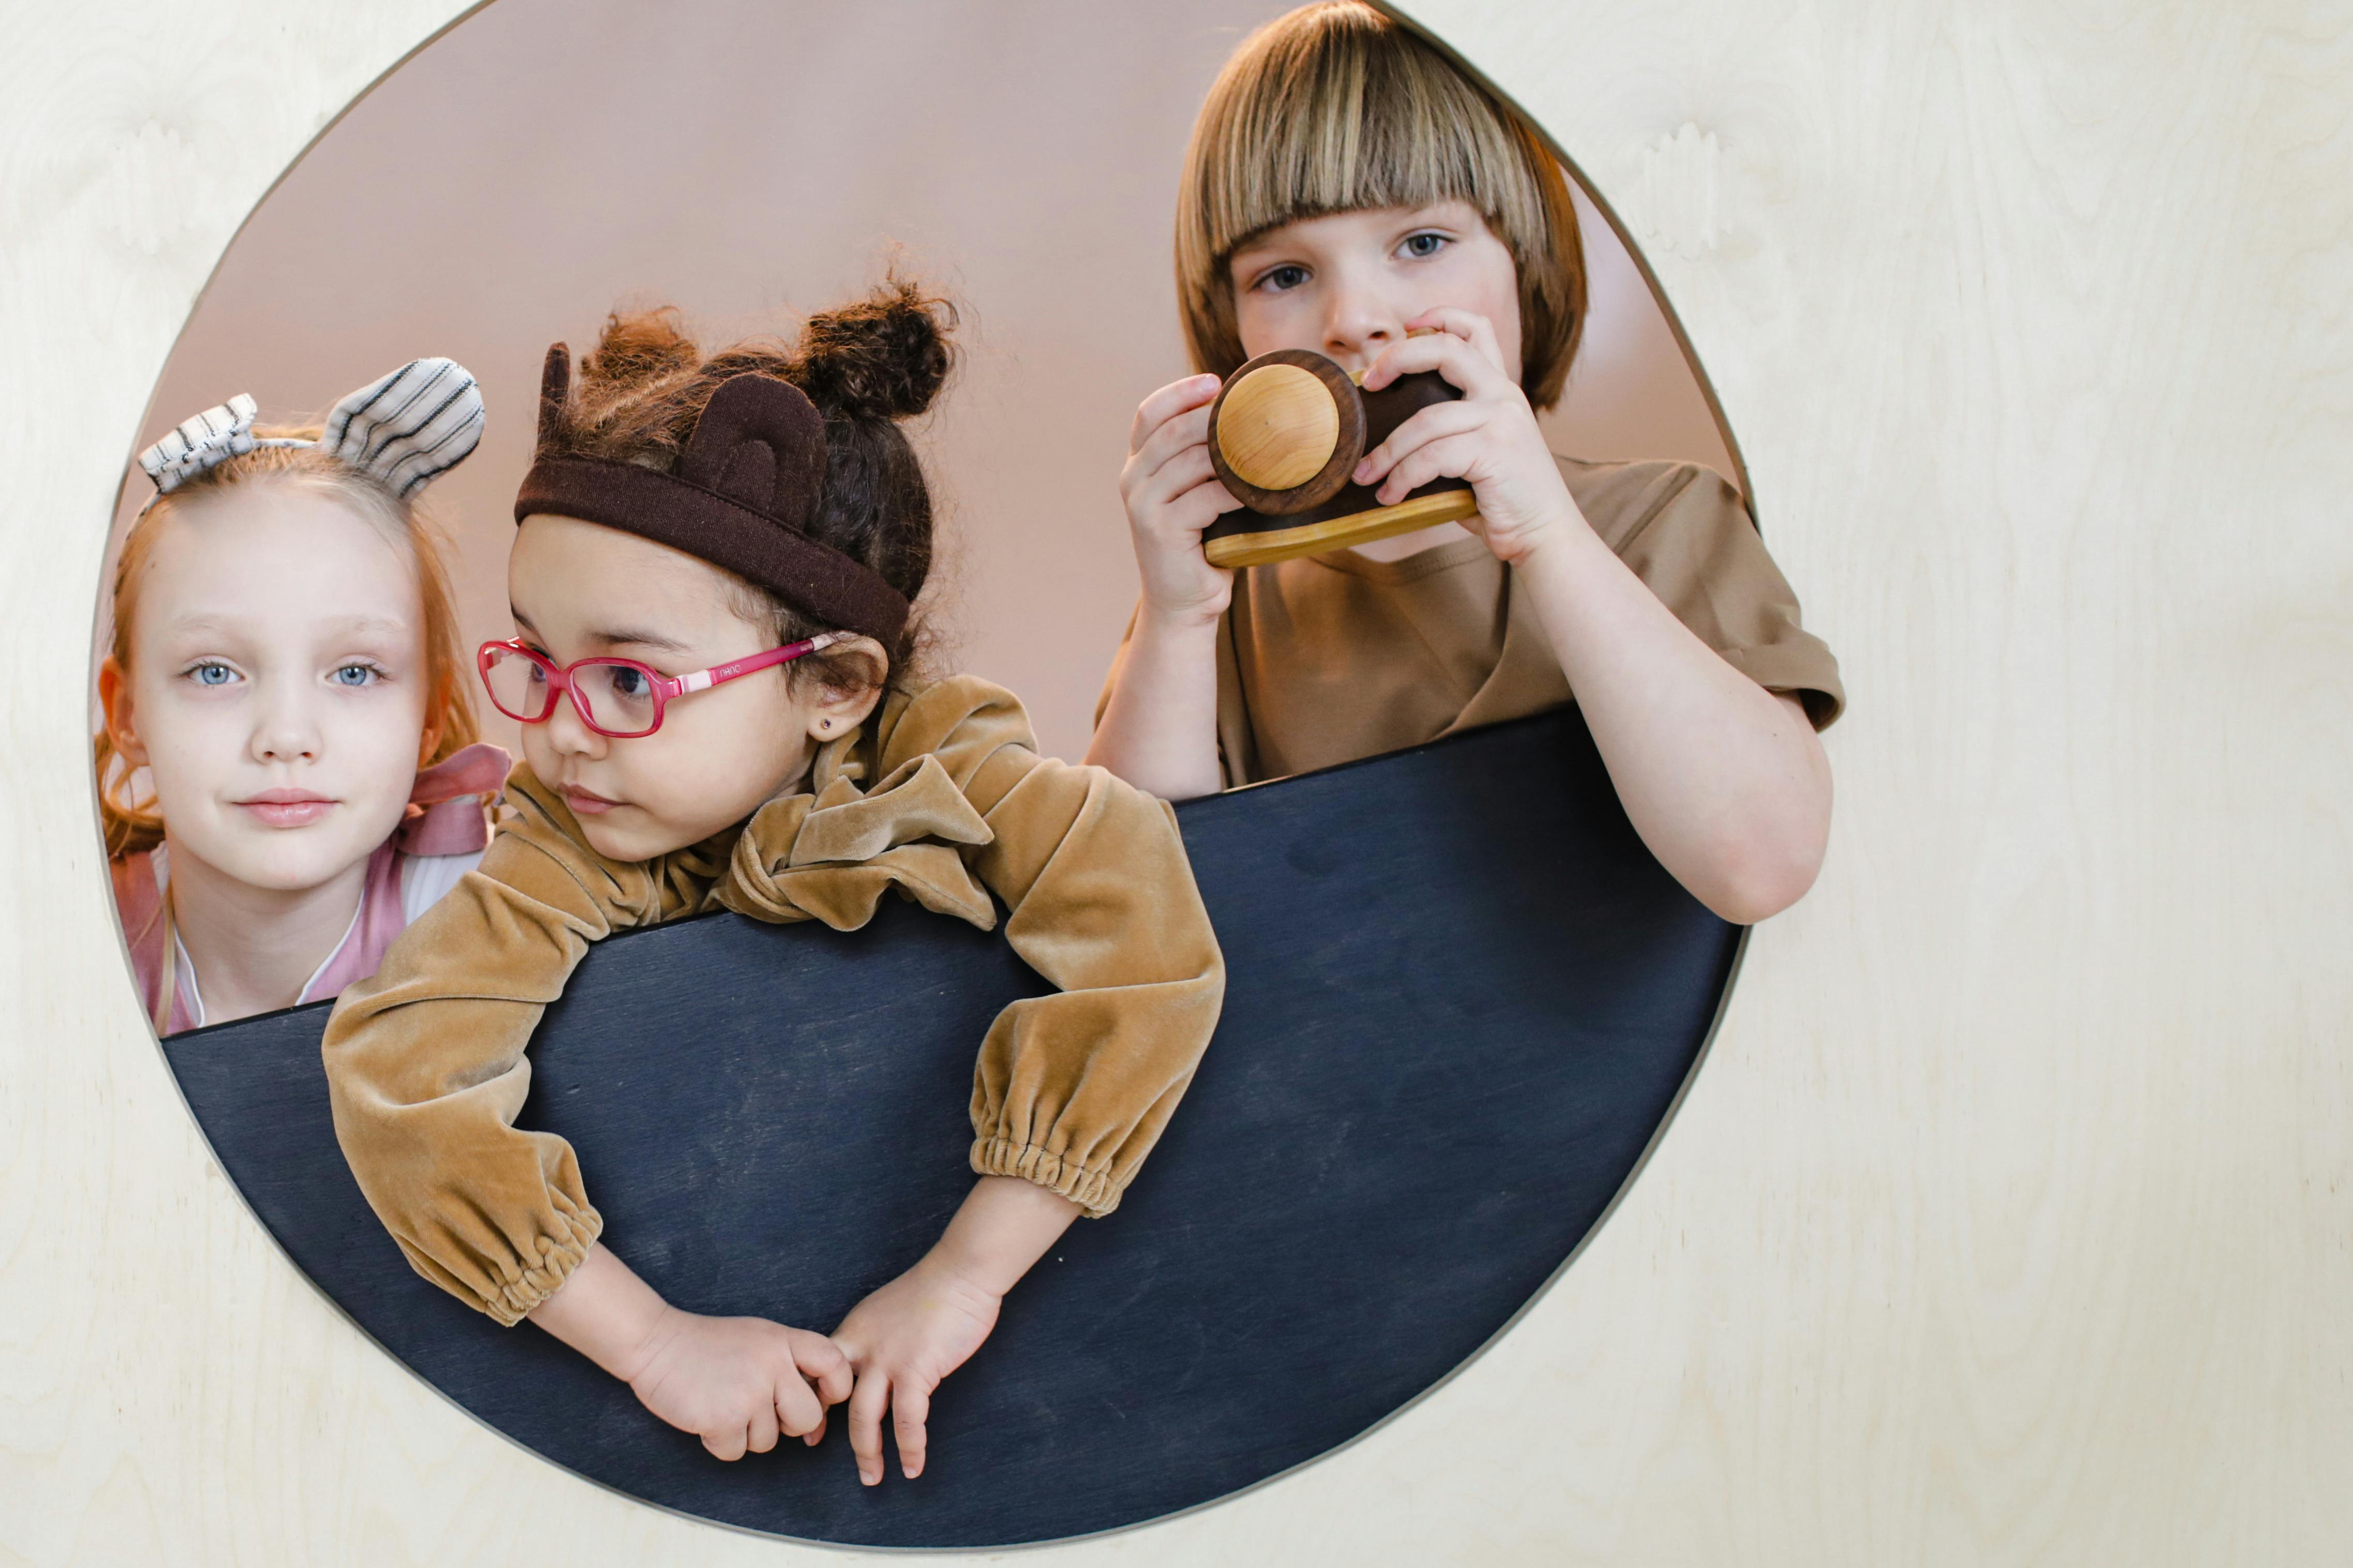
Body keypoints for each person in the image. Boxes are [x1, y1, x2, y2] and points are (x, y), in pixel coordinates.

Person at [321, 284, 1225, 1485]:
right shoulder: (569, 831)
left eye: (633, 682)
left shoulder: (952, 767)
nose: (565, 734)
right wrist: (649, 1342)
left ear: (838, 687)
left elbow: (1145, 945)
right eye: (539, 658)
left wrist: (965, 1271)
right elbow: (401, 1074)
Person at [1090, 3, 1844, 925]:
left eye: (1420, 243)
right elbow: (1125, 924)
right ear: (1233, 333)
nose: (1355, 316)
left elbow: (1760, 866)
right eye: (1284, 275)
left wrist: (1548, 538)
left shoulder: (1658, 521)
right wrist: (1174, 621)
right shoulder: (1223, 601)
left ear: (1527, 270)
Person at [97, 360, 504, 1033]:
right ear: (128, 714)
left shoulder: (489, 909)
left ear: (428, 713)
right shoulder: (63, 943)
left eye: (354, 673)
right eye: (214, 672)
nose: (285, 736)